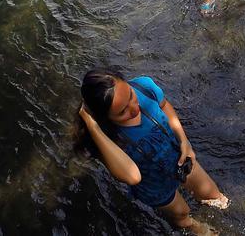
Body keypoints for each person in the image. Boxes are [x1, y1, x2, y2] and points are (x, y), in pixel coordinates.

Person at [75, 69, 228, 235]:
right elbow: (132, 177)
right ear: (105, 118)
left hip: (179, 158)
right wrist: (93, 127)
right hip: (154, 185)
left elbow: (164, 105)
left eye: (131, 96)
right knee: (182, 213)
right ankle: (196, 228)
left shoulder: (144, 87)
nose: (134, 109)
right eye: (122, 112)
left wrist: (184, 141)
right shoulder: (107, 138)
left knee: (213, 195)